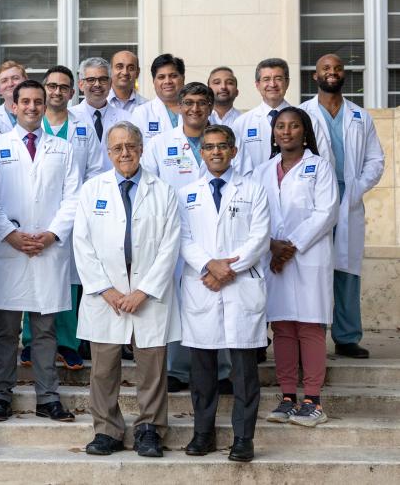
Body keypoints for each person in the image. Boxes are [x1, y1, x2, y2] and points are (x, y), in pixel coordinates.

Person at [74, 122, 181, 458]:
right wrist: (105, 289)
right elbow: (82, 244)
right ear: (108, 153)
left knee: (152, 369)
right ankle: (107, 430)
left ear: (141, 149)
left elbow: (170, 247)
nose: (125, 153)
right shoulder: (92, 190)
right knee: (103, 369)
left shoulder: (163, 191)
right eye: (118, 147)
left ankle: (150, 429)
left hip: (147, 295)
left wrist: (144, 291)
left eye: (131, 146)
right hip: (107, 296)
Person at [0, 80, 80, 424]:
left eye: (37, 102)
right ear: (13, 106)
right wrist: (9, 234)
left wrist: (52, 234)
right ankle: (1, 396)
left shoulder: (63, 149)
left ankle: (48, 397)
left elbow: (73, 198)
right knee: (6, 331)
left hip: (47, 250)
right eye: (24, 101)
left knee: (44, 332)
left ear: (45, 106)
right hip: (8, 251)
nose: (31, 107)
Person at [142, 83, 246, 393]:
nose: (195, 109)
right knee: (176, 302)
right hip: (174, 236)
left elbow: (244, 182)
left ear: (211, 107)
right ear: (179, 106)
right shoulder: (160, 144)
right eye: (188, 102)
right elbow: (149, 189)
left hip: (220, 237)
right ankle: (177, 369)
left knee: (219, 301)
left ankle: (222, 371)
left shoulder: (225, 140)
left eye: (202, 103)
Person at [176, 125, 271, 462]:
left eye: (222, 146)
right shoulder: (186, 193)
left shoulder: (253, 190)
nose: (216, 152)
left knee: (244, 371)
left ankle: (244, 438)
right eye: (209, 147)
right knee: (202, 370)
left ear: (234, 151)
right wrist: (209, 266)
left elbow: (259, 237)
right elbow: (183, 238)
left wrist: (227, 270)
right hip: (202, 284)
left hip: (239, 285)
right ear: (201, 152)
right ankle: (203, 433)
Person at [255, 107, 339, 427]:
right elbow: (256, 214)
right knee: (283, 328)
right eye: (280, 126)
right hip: (274, 257)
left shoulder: (319, 167)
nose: (286, 131)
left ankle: (313, 401)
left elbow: (326, 212)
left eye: (293, 126)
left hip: (307, 256)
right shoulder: (262, 170)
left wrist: (288, 247)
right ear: (274, 133)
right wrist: (271, 246)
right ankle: (288, 397)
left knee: (309, 326)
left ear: (304, 132)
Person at [299, 54, 386, 359]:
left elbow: (375, 160)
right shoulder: (302, 113)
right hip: (313, 204)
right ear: (315, 75)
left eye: (337, 68)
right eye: (326, 68)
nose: (332, 72)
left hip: (349, 202)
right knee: (313, 270)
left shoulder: (360, 116)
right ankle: (311, 339)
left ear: (344, 74)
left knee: (347, 271)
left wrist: (357, 188)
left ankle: (347, 337)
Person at [28, 65, 102, 367]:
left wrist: (79, 205)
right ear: (44, 89)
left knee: (70, 277)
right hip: (36, 213)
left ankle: (68, 342)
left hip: (73, 215)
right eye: (52, 86)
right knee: (32, 275)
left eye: (63, 87)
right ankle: (30, 340)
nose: (57, 91)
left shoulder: (84, 128)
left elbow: (96, 170)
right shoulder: (32, 124)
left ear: (72, 92)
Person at [69, 57, 133, 172]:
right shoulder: (70, 117)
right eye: (91, 80)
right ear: (81, 85)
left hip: (114, 181)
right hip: (80, 182)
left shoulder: (126, 118)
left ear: (110, 83)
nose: (97, 84)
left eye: (103, 79)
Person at [230, 58, 292, 172]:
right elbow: (234, 164)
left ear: (287, 83)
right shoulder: (241, 123)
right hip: (252, 183)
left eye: (278, 79)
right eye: (266, 79)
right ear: (257, 85)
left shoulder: (305, 119)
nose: (272, 84)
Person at [131, 54, 185, 142]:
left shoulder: (197, 110)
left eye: (173, 76)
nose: (167, 81)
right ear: (154, 81)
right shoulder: (141, 113)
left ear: (183, 78)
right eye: (161, 77)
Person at [0, 60, 27, 132]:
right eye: (4, 81)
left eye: (15, 78)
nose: (10, 84)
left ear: (26, 82)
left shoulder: (41, 113)